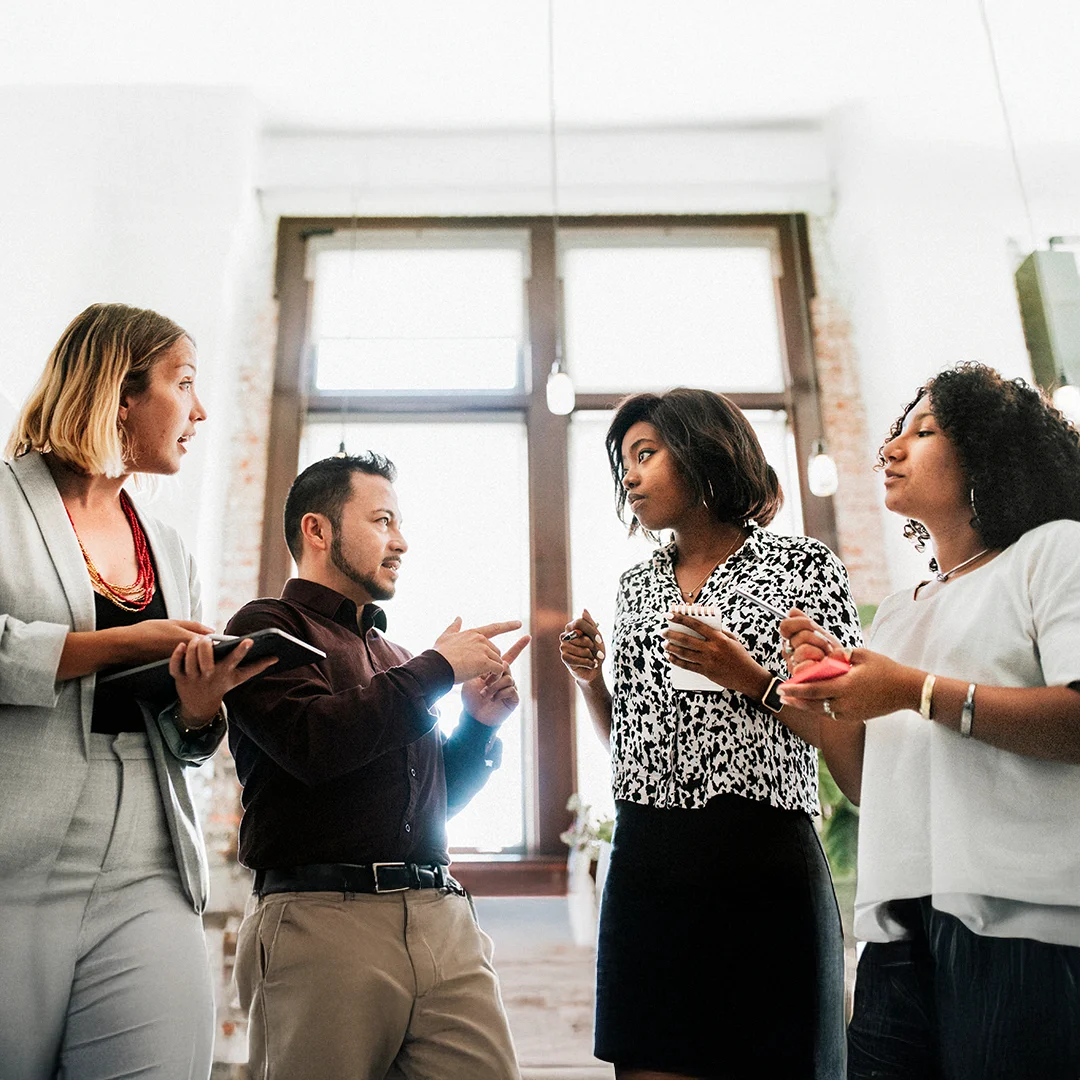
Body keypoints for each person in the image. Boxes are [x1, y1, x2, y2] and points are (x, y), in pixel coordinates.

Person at [778, 363, 1080, 1079]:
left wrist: (912, 690)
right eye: (894, 433)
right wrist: (823, 704)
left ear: (987, 452)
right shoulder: (902, 608)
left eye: (924, 431)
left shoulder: (1053, 551)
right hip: (896, 928)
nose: (890, 449)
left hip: (1023, 918)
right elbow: (869, 788)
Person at [0, 303, 273, 1079]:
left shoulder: (169, 548)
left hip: (148, 868)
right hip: (12, 866)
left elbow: (185, 740)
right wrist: (117, 644)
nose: (201, 409)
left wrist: (198, 705)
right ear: (120, 392)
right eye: (183, 384)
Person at [560, 387, 862, 1080]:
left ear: (702, 453)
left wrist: (751, 678)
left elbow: (846, 734)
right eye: (623, 463)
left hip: (761, 858)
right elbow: (630, 745)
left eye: (645, 454)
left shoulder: (803, 567)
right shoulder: (635, 586)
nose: (629, 476)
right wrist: (590, 680)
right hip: (648, 862)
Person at [223, 452, 530, 1080]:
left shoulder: (395, 656)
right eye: (382, 520)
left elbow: (429, 804)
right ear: (318, 530)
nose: (402, 542)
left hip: (442, 919)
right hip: (321, 921)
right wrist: (439, 668)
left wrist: (477, 724)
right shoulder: (265, 627)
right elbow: (314, 743)